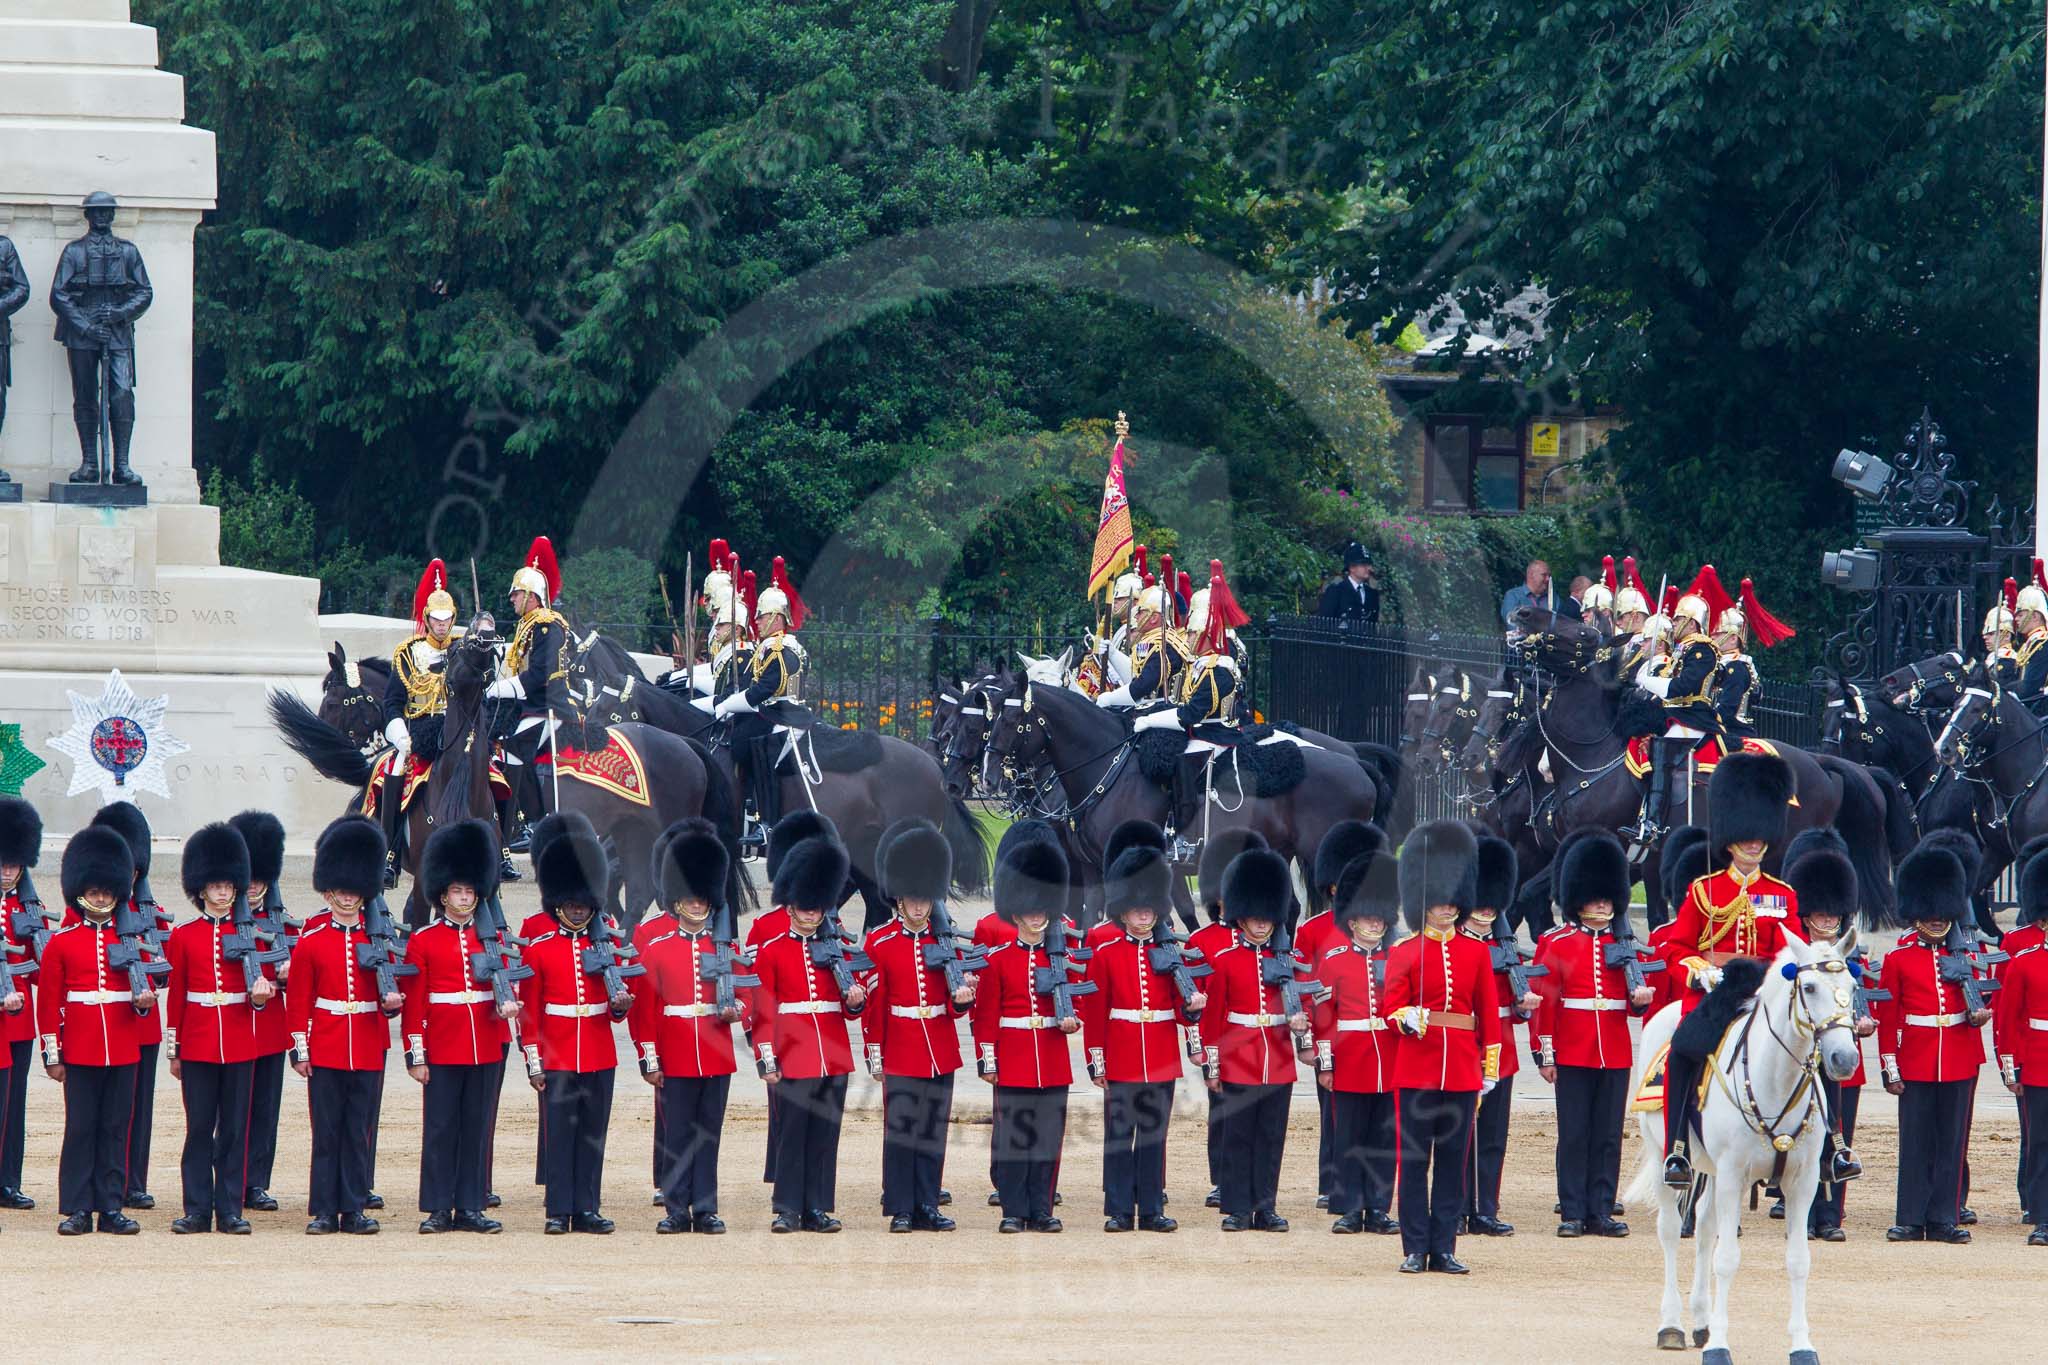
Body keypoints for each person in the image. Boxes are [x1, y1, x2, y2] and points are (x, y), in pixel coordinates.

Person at [1658, 753, 1808, 1187]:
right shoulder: (1704, 890)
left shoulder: (1781, 895)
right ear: (1730, 839)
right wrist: (1697, 971)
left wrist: (1779, 981)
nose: (1754, 843)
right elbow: (1676, 945)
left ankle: (1832, 1142)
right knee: (1685, 1051)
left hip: (1761, 995)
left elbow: (1789, 949)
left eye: (1760, 837)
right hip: (1713, 993)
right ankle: (1677, 1150)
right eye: (1746, 837)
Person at [1383, 820, 1501, 1274]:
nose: (1447, 909)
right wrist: (1405, 1015)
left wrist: (1488, 1067)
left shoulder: (1475, 954)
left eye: (1453, 902)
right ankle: (1415, 1247)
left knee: (1453, 1163)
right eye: (1438, 902)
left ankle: (1445, 1246)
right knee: (1414, 1162)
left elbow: (1488, 1018)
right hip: (1416, 1070)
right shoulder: (1404, 952)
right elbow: (1391, 1007)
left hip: (1462, 1073)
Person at [1533, 831, 1655, 1237]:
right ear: (1578, 899)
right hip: (1572, 1048)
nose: (1603, 903)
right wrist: (1545, 1053)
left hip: (1614, 1050)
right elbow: (1547, 1003)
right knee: (1574, 1134)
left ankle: (1600, 1210)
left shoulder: (1626, 945)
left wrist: (1640, 999)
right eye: (1595, 897)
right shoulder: (1557, 943)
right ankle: (1572, 1211)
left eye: (1607, 897)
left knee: (1607, 1135)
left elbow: (1633, 1005)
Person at [1080, 844, 1208, 1232]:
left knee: (1154, 1137)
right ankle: (1119, 1209)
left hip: (1160, 1052)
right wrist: (1096, 1060)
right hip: (1120, 1052)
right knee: (1120, 1135)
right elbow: (1096, 1012)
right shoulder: (1106, 954)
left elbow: (1178, 1005)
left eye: (1150, 909)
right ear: (1123, 911)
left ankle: (1151, 1208)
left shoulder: (1169, 952)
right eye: (1138, 909)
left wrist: (1192, 1007)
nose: (1145, 915)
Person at [631, 819, 746, 1234]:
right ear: (677, 900)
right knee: (678, 1133)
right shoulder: (658, 949)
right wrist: (650, 1059)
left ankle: (706, 1207)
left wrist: (738, 1011)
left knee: (708, 1136)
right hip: (676, 1052)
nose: (698, 905)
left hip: (716, 1052)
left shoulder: (725, 947)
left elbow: (748, 996)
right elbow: (645, 1012)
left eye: (704, 900)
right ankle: (677, 1209)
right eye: (691, 899)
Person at [288, 817, 399, 1234]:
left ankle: (352, 1207)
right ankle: (323, 1209)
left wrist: (392, 1004)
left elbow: (391, 996)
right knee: (327, 1131)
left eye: (355, 892)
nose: (348, 898)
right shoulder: (312, 942)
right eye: (341, 891)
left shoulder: (378, 941)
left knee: (358, 1132)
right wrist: (300, 1050)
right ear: (328, 892)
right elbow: (299, 1002)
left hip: (367, 1045)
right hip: (328, 1045)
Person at [750, 834, 866, 1233]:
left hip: (832, 1053)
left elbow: (851, 1011)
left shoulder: (839, 948)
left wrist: (854, 999)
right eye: (804, 907)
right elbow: (763, 1011)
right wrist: (767, 1057)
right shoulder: (774, 949)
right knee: (792, 1133)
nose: (810, 915)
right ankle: (787, 1207)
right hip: (793, 1052)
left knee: (824, 1135)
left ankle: (817, 1206)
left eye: (817, 908)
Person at [401, 819, 511, 1234]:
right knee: (441, 1127)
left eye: (469, 891)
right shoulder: (424, 940)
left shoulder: (493, 939)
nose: (464, 898)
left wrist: (506, 1015)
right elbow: (416, 1004)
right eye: (456, 891)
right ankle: (437, 1207)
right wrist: (416, 1054)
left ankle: (471, 1206)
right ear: (442, 895)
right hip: (442, 1046)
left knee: (476, 1128)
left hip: (485, 1043)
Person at [862, 819, 972, 1233]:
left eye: (926, 899)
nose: (921, 906)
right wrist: (876, 1052)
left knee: (932, 1132)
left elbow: (955, 1003)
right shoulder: (881, 942)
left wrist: (961, 1001)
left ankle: (927, 1203)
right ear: (898, 899)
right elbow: (875, 1006)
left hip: (939, 1046)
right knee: (902, 1133)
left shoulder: (944, 943)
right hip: (902, 1046)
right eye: (913, 899)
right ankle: (902, 1207)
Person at [520, 818, 629, 1235]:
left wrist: (619, 1007)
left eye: (584, 903)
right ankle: (557, 1209)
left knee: (591, 1135)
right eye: (572, 903)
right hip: (558, 1053)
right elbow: (530, 1013)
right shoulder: (540, 950)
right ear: (559, 902)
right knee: (561, 1134)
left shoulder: (609, 945)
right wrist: (534, 1061)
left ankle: (586, 1207)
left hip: (599, 1050)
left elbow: (621, 1006)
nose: (579, 909)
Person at [1878, 840, 1989, 1244]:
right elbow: (1889, 1020)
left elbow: (1978, 1000)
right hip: (1917, 1059)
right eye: (1931, 912)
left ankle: (1944, 1218)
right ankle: (1910, 1217)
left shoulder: (1965, 954)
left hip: (1958, 1056)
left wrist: (1977, 1012)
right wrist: (1891, 1067)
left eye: (1945, 912)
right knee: (1916, 1142)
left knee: (1952, 1142)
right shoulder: (1898, 959)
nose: (1939, 919)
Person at [39, 825, 144, 1234]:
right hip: (80, 1049)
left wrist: (142, 1005)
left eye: (107, 891)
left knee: (116, 1128)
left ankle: (111, 1206)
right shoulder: (62, 943)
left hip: (122, 1048)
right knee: (81, 1128)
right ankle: (78, 1207)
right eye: (95, 890)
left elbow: (141, 993)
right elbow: (49, 1005)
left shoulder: (130, 938)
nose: (101, 897)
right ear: (80, 891)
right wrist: (53, 1054)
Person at [164, 823, 268, 1234]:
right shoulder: (184, 936)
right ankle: (196, 1209)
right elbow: (178, 997)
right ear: (201, 890)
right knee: (198, 1129)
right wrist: (175, 1049)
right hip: (199, 1043)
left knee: (235, 1130)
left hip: (240, 1041)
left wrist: (260, 996)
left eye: (228, 886)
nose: (223, 893)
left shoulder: (254, 936)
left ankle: (229, 1209)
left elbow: (261, 993)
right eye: (215, 886)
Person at [970, 837, 1078, 1232]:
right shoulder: (998, 960)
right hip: (1013, 1054)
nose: (1036, 916)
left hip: (1051, 1054)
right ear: (1015, 913)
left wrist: (1073, 1020)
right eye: (1029, 910)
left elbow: (1077, 1001)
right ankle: (1013, 1211)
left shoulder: (1062, 956)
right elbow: (987, 1015)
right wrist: (988, 1058)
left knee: (1047, 1140)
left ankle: (1042, 1208)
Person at [1207, 847, 1310, 1231]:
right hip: (1240, 1058)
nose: (1263, 925)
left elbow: (1304, 1007)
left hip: (1278, 1057)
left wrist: (1302, 1026)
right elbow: (1214, 1020)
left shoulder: (1288, 960)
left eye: (1268, 917)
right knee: (1238, 1137)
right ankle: (1237, 1206)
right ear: (1241, 917)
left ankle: (1265, 1206)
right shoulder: (1227, 960)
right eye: (1255, 917)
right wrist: (1213, 1067)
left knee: (1270, 1138)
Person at [1783, 828, 1875, 1241]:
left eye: (1833, 915)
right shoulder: (1793, 958)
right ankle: (1800, 1212)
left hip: (1839, 1053)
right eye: (1821, 915)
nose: (1827, 921)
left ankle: (1830, 1214)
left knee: (1838, 1131)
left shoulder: (1852, 954)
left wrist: (1865, 1024)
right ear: (1806, 916)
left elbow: (1865, 999)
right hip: (1800, 1057)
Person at [1297, 820, 1385, 1212]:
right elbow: (1303, 991)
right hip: (1331, 1037)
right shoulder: (1313, 931)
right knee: (1334, 1114)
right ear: (1333, 886)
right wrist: (1309, 1045)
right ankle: (1331, 1182)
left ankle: (1366, 1190)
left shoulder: (1385, 935)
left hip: (1374, 1045)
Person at [1313, 849, 1402, 1235]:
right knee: (1348, 1136)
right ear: (1351, 919)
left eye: (1379, 915)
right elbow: (1323, 1019)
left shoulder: (1398, 958)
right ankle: (1350, 1206)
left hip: (1390, 1059)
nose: (1374, 922)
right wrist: (1326, 1063)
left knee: (1384, 1137)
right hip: (1350, 1059)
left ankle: (1379, 1208)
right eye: (1367, 915)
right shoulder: (1333, 960)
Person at [88, 801, 164, 1213]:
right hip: (103, 1024)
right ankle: (105, 1180)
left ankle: (135, 1181)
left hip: (144, 1025)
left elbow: (169, 963)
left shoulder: (149, 912)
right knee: (103, 1111)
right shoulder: (87, 908)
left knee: (140, 1108)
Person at [1623, 566, 1729, 850]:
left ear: (1693, 623)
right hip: (1677, 715)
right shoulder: (1682, 650)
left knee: (1660, 749)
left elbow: (1683, 688)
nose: (1677, 621)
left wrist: (1650, 681)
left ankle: (1653, 823)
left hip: (1693, 718)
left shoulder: (1702, 649)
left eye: (1682, 618)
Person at [51, 191, 152, 485]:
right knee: (85, 396)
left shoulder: (128, 251)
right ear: (88, 216)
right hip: (82, 332)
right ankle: (90, 464)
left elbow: (144, 292)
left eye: (107, 211)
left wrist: (120, 313)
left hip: (118, 332)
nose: (102, 217)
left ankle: (121, 465)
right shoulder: (74, 252)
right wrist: (85, 326)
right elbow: (59, 294)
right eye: (96, 212)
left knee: (121, 394)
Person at [709, 558, 809, 850]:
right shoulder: (789, 646)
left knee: (748, 743)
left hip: (780, 711)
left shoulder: (777, 648)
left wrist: (727, 705)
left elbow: (760, 692)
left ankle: (765, 821)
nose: (758, 621)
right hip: (784, 709)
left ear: (777, 618)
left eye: (763, 617)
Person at [1463, 833, 1534, 1237]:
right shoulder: (1454, 945)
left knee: (1492, 1137)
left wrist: (1525, 1004)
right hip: (1460, 1050)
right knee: (1459, 1137)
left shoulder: (1506, 947)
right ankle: (1456, 1207)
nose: (1486, 911)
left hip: (1500, 1052)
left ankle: (1485, 1207)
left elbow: (1511, 1007)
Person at [230, 809, 292, 1214]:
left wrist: (290, 973)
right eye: (248, 879)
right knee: (233, 1109)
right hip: (233, 1027)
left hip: (270, 1028)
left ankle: (257, 1182)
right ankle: (232, 1179)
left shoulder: (284, 922)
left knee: (266, 1109)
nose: (254, 887)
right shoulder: (224, 921)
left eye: (260, 880)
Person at [485, 536, 569, 822]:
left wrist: (500, 689)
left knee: (515, 749)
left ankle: (533, 820)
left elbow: (538, 675)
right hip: (530, 705)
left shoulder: (547, 625)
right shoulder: (527, 625)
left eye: (516, 594)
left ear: (532, 596)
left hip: (549, 706)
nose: (512, 599)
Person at [1996, 844, 2048, 1244]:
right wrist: (2010, 1063)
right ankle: (2038, 1206)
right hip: (2038, 1057)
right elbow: (2007, 1012)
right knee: (2039, 1138)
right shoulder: (2020, 949)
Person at [0, 797, 44, 1212]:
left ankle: (8, 1180)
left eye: (14, 863)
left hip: (18, 1024)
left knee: (13, 1106)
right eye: (3, 863)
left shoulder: (29, 909)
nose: (8, 871)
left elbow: (43, 971)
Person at [1316, 541, 1381, 625]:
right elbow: (1324, 624)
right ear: (1352, 567)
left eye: (1369, 564)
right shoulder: (1336, 592)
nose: (1368, 568)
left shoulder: (1372, 595)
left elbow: (1372, 627)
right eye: (1363, 564)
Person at [2016, 562, 2048, 704]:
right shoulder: (2030, 643)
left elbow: (2031, 686)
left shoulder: (2043, 643)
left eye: (2020, 615)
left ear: (2034, 616)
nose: (2015, 618)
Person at [1499, 559, 1551, 628]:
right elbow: (1512, 623)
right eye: (1544, 575)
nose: (1548, 579)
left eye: (1549, 575)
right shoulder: (1513, 596)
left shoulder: (1553, 599)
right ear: (1531, 575)